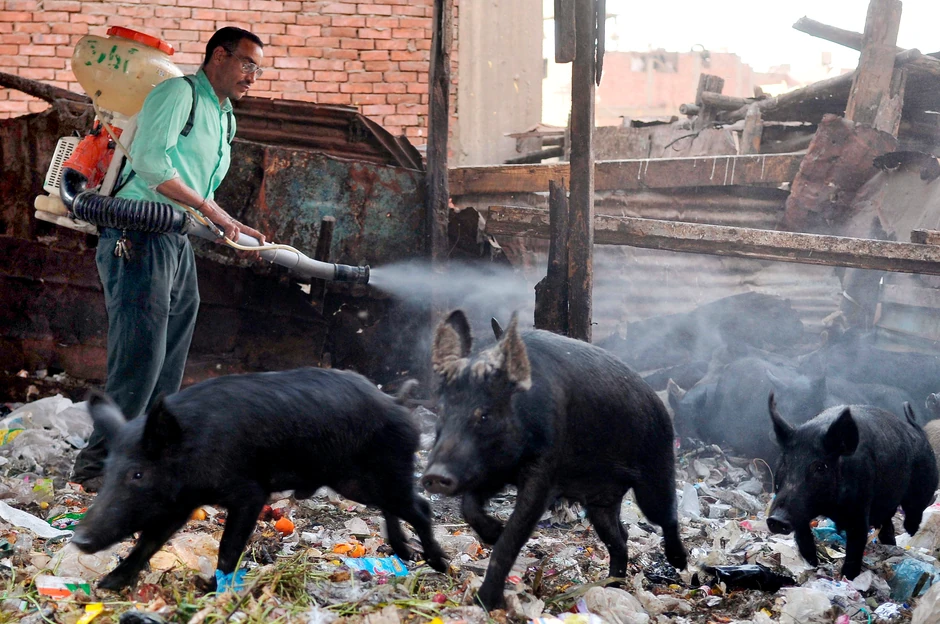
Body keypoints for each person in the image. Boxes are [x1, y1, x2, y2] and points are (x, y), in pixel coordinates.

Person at [71, 27, 268, 490]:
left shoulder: (225, 116)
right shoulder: (178, 94)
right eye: (247, 64)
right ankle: (96, 468)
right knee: (140, 357)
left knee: (169, 358)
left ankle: (146, 462)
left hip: (174, 238)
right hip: (137, 233)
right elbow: (151, 163)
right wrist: (211, 210)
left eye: (258, 69)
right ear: (219, 56)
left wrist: (222, 225)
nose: (253, 77)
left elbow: (202, 186)